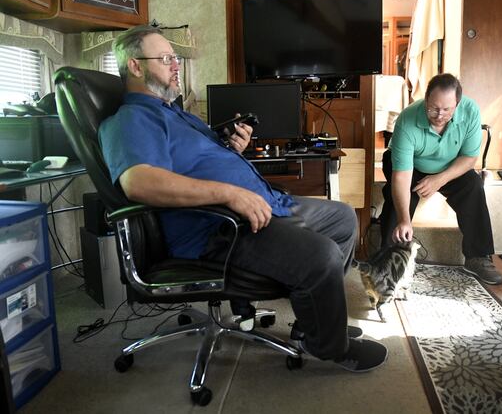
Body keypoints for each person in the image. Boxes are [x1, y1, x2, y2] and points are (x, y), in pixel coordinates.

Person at [98, 25, 387, 372]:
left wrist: (231, 148)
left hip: (263, 204)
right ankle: (329, 346)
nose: (176, 65)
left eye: (175, 58)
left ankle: (312, 322)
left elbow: (198, 162)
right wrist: (230, 193)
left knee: (342, 218)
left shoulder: (177, 114)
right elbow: (139, 183)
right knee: (320, 254)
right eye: (165, 58)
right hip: (219, 228)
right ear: (134, 66)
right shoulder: (132, 118)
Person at [379, 73, 502, 285]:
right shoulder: (407, 120)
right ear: (426, 100)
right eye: (433, 108)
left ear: (458, 103)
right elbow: (402, 176)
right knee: (397, 197)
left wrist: (440, 179)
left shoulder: (470, 111)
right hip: (411, 165)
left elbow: (469, 157)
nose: (439, 115)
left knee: (473, 185)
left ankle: (477, 257)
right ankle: (389, 260)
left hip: (450, 166)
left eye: (447, 109)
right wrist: (404, 220)